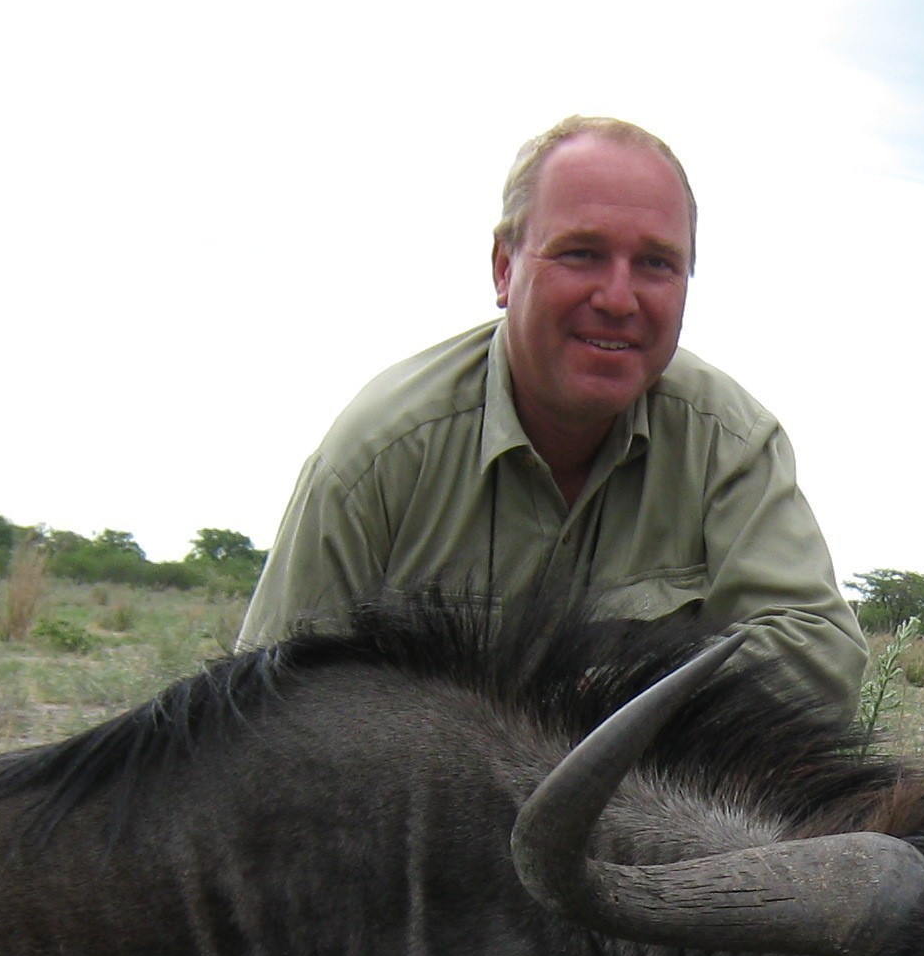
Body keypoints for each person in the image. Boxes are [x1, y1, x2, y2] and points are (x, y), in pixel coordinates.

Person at [237, 116, 869, 714]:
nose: (619, 299)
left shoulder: (730, 441)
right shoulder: (376, 454)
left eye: (656, 263)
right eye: (581, 253)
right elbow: (265, 714)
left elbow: (821, 655)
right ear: (505, 268)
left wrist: (609, 693)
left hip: (641, 808)